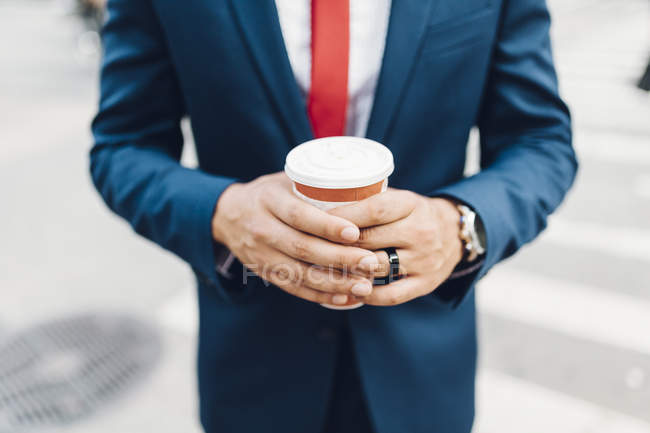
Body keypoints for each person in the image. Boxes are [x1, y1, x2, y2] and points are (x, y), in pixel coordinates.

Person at [90, 1, 577, 432]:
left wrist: (461, 227)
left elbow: (540, 142)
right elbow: (122, 145)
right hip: (254, 368)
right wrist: (222, 213)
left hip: (421, 374)